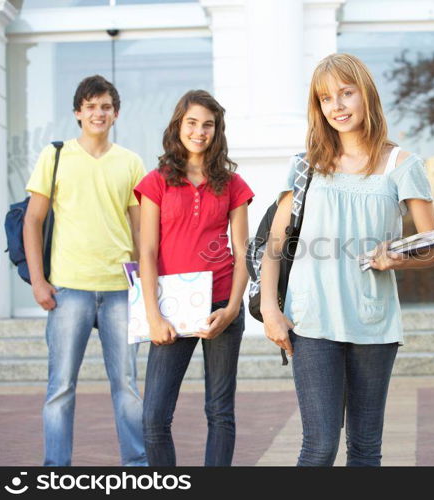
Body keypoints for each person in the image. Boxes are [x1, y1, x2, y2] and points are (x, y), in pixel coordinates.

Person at [260, 53, 434, 466]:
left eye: (346, 93)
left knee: (364, 449)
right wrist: (271, 309)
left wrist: (398, 258)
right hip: (311, 321)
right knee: (319, 446)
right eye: (326, 99)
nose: (337, 106)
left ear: (367, 95)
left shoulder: (403, 164)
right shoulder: (305, 165)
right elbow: (274, 243)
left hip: (373, 323)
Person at [23, 75, 147, 466]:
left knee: (127, 385)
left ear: (116, 113)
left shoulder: (130, 162)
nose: (98, 113)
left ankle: (137, 465)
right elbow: (33, 221)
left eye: (105, 106)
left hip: (119, 289)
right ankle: (56, 470)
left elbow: (140, 228)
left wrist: (146, 283)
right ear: (78, 112)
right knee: (60, 386)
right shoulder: (55, 155)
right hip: (68, 288)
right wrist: (39, 281)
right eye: (91, 106)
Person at [135, 90, 253, 466]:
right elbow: (148, 253)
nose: (199, 131)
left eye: (208, 124)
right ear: (178, 125)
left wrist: (233, 309)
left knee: (219, 413)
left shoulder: (233, 184)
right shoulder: (156, 182)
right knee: (154, 418)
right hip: (171, 306)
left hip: (220, 305)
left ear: (217, 131)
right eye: (192, 123)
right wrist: (153, 315)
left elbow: (242, 251)